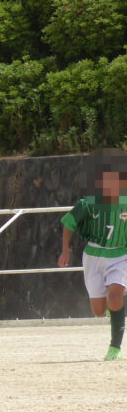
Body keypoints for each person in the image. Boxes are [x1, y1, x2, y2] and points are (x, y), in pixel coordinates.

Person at [58, 148, 127, 361]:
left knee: (115, 298)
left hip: (120, 255)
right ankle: (115, 310)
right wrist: (65, 250)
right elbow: (69, 223)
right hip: (93, 256)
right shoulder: (89, 203)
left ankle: (115, 348)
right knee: (98, 311)